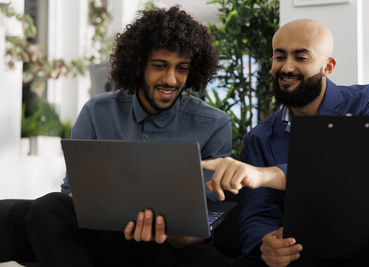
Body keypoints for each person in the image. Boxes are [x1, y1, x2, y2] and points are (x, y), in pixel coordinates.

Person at [23, 6, 232, 267]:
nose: (171, 79)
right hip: (104, 239)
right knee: (47, 208)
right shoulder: (97, 112)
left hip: (168, 246)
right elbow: (71, 196)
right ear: (138, 64)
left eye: (182, 68)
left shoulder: (214, 124)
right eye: (159, 66)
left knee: (208, 261)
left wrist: (171, 232)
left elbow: (205, 222)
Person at [203, 19, 369, 267]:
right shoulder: (259, 138)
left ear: (327, 66)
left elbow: (362, 163)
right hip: (303, 250)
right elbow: (258, 213)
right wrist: (265, 242)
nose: (287, 67)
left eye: (301, 57)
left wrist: (266, 175)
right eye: (279, 56)